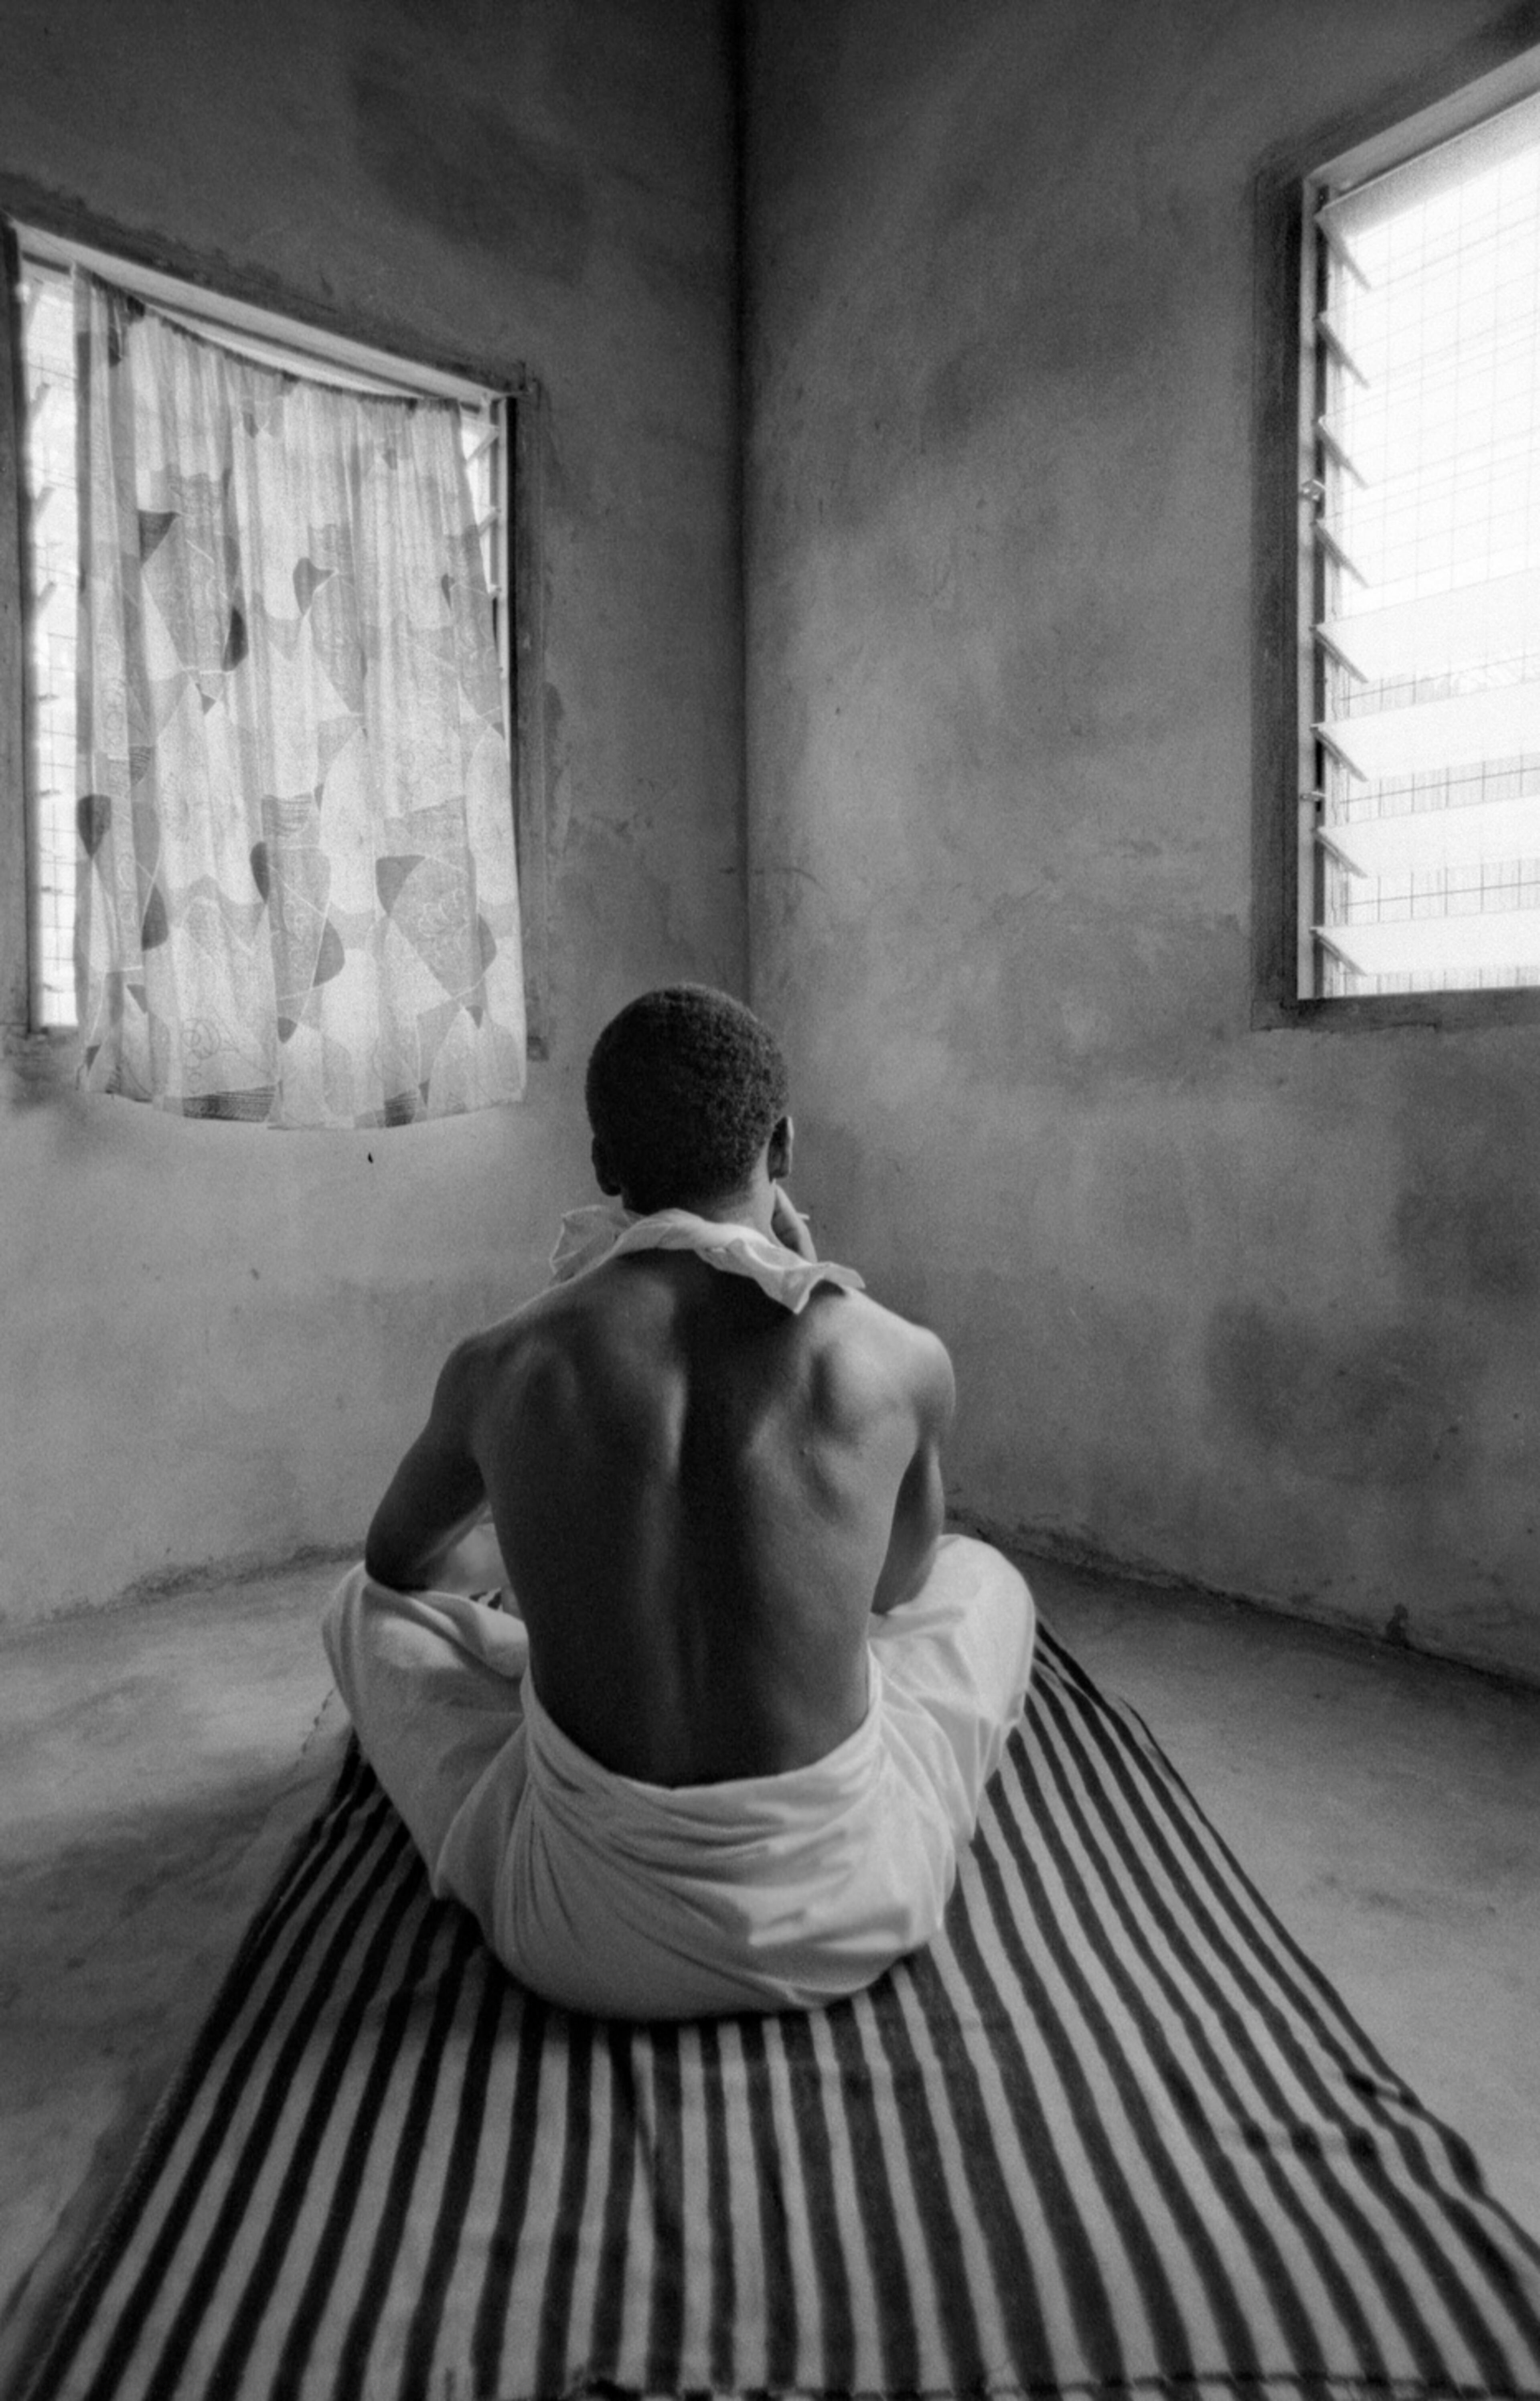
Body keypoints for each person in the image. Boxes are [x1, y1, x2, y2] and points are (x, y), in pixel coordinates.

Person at [324, 985, 1035, 2018]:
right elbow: (897, 1589)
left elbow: (397, 1565)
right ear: (781, 1146)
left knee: (357, 1608)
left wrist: (556, 1550)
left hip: (578, 1934)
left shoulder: (507, 1363)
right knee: (984, 1580)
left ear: (606, 1167)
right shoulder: (899, 1357)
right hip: (849, 1913)